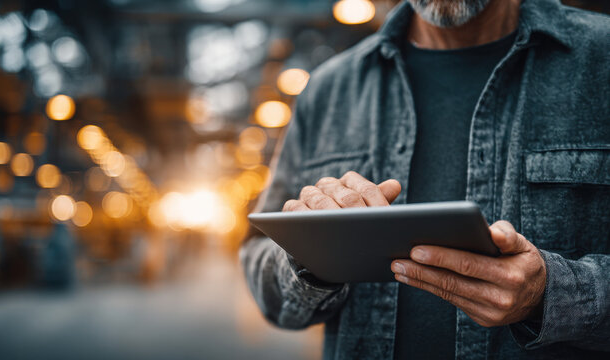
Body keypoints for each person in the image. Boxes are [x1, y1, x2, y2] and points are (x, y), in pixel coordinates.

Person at [240, 0, 610, 358]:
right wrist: (310, 258)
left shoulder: (601, 58)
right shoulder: (329, 90)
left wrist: (552, 295)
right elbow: (263, 274)